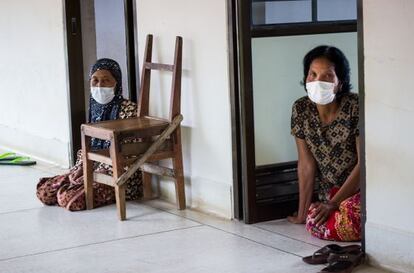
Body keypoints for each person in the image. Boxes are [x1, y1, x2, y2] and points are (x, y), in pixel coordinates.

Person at [36, 58, 142, 211]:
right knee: (45, 192)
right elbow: (89, 147)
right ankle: (74, 184)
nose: (99, 86)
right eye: (95, 81)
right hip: (92, 168)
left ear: (116, 83)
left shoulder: (129, 110)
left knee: (70, 200)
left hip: (116, 175)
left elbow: (128, 154)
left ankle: (75, 187)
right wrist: (81, 169)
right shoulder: (95, 109)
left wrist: (93, 172)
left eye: (106, 81)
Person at [287, 46, 361, 242]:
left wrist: (334, 204)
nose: (318, 81)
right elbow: (306, 165)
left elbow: (365, 165)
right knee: (314, 220)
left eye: (328, 76)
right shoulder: (301, 108)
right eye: (312, 74)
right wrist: (303, 213)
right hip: (328, 193)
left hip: (359, 192)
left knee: (354, 218)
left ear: (340, 82)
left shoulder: (356, 106)